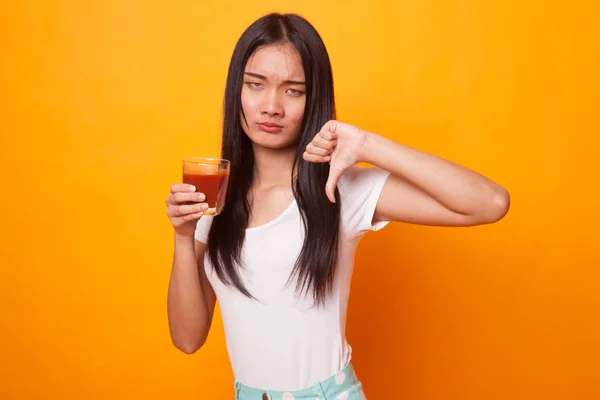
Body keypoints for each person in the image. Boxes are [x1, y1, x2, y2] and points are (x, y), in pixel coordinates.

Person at [165, 12, 510, 400]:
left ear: (314, 99)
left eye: (293, 90)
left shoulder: (340, 190)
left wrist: (365, 144)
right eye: (255, 85)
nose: (271, 106)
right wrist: (183, 236)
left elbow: (490, 203)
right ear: (236, 92)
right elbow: (187, 338)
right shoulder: (216, 201)